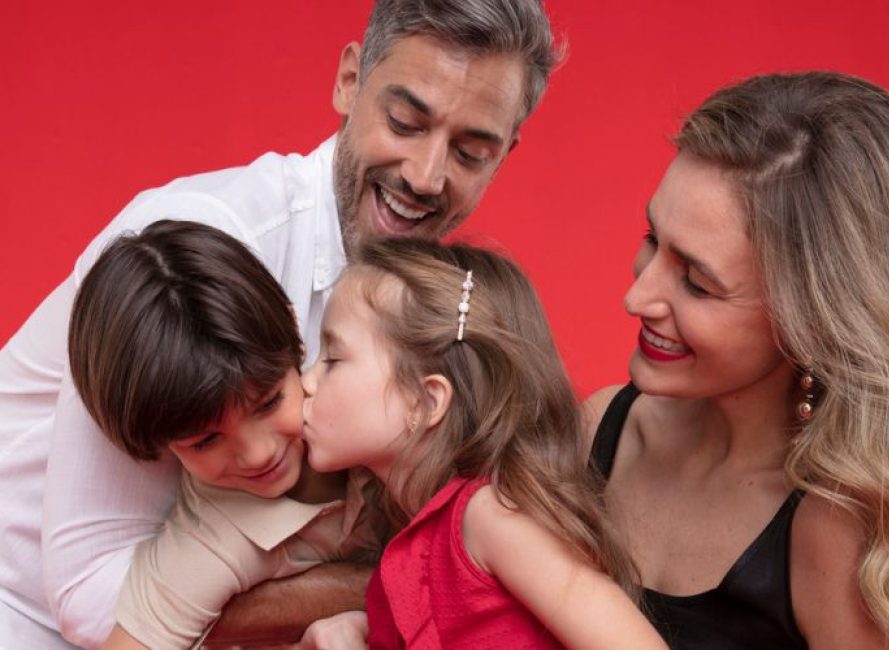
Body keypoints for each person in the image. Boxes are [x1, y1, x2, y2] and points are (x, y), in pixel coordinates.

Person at [0, 1, 560, 646]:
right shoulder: (195, 252)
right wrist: (402, 577)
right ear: (350, 81)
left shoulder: (426, 300)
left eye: (470, 152)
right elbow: (89, 599)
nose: (425, 176)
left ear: (505, 152)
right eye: (405, 123)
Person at [583, 71, 889, 649]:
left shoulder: (834, 529)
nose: (638, 297)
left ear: (813, 320)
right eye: (652, 239)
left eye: (699, 283)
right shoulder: (599, 429)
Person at [297, 237, 668, 649]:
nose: (306, 382)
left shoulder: (491, 517)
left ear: (425, 400)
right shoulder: (410, 535)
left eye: (332, 359)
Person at [66, 220, 381, 650]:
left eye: (269, 402)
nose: (258, 454)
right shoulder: (208, 543)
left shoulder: (377, 398)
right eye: (205, 441)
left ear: (295, 339)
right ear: (162, 446)